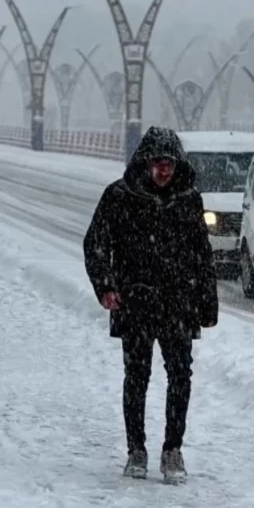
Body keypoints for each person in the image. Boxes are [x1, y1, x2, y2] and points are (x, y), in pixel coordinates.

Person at [83, 127, 217, 486]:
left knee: (180, 376)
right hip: (136, 302)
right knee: (137, 377)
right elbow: (96, 243)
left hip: (178, 302)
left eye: (168, 163)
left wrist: (207, 302)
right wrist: (105, 287)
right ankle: (136, 450)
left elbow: (202, 255)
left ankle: (173, 449)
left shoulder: (189, 200)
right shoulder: (119, 196)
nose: (163, 170)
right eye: (157, 162)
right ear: (145, 162)